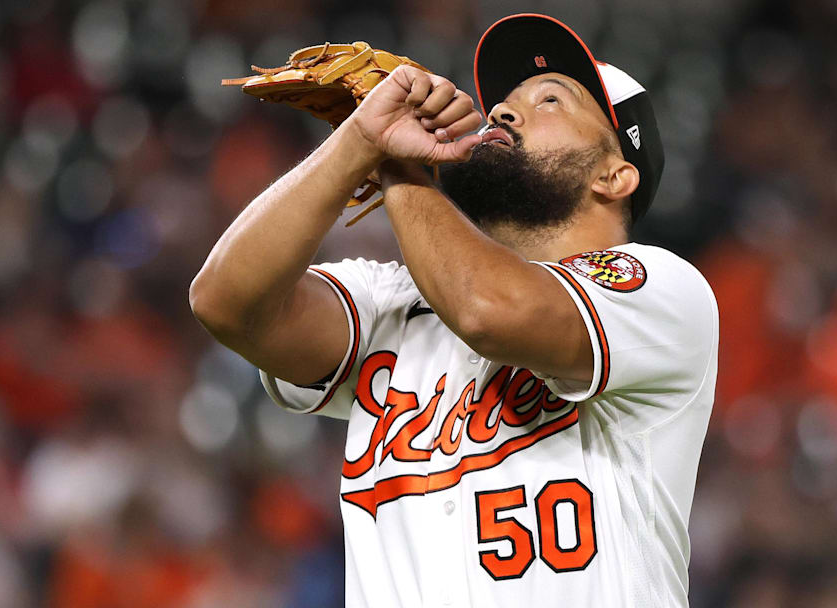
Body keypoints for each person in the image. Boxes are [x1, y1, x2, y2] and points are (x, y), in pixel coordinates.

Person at [190, 13, 718, 608]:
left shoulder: (661, 290)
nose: (503, 113)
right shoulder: (393, 299)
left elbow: (488, 309)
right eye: (501, 104)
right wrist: (358, 142)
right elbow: (225, 303)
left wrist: (397, 165)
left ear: (614, 175)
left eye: (550, 99)